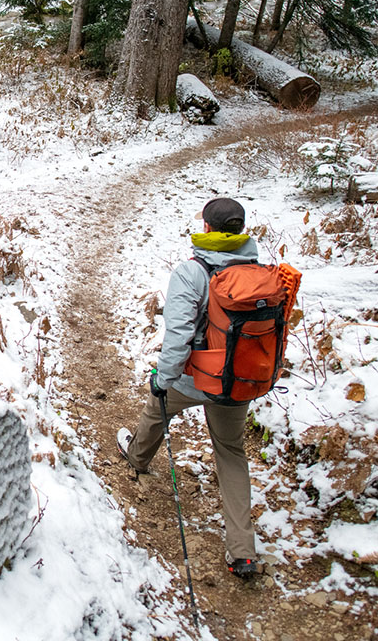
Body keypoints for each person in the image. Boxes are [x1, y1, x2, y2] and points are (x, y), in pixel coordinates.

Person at [116, 197, 260, 578]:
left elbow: (177, 336)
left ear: (208, 229)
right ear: (240, 230)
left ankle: (137, 458)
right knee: (230, 451)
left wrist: (163, 379)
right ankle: (242, 551)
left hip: (195, 377)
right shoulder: (257, 270)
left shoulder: (191, 272)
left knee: (156, 406)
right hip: (238, 381)